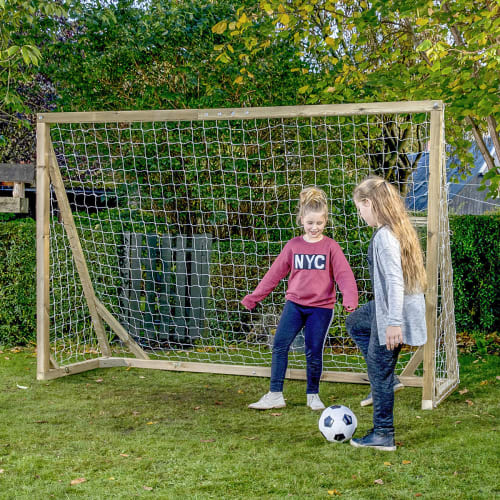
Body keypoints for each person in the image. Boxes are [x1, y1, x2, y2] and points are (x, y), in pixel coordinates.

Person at [241, 186, 358, 411]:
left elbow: (344, 274)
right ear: (301, 220)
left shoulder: (331, 247)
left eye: (319, 223)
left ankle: (312, 395)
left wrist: (349, 298)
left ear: (325, 222)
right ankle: (275, 394)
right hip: (294, 305)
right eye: (310, 223)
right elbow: (273, 274)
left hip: (321, 308)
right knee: (279, 345)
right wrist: (254, 298)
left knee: (313, 350)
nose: (314, 228)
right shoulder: (293, 246)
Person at [347, 176, 427, 451]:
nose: (361, 214)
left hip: (393, 316)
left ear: (369, 203)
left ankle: (383, 433)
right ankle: (389, 379)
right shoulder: (397, 229)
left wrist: (393, 324)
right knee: (355, 322)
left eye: (360, 208)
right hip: (384, 311)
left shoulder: (385, 237)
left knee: (377, 371)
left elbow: (395, 282)